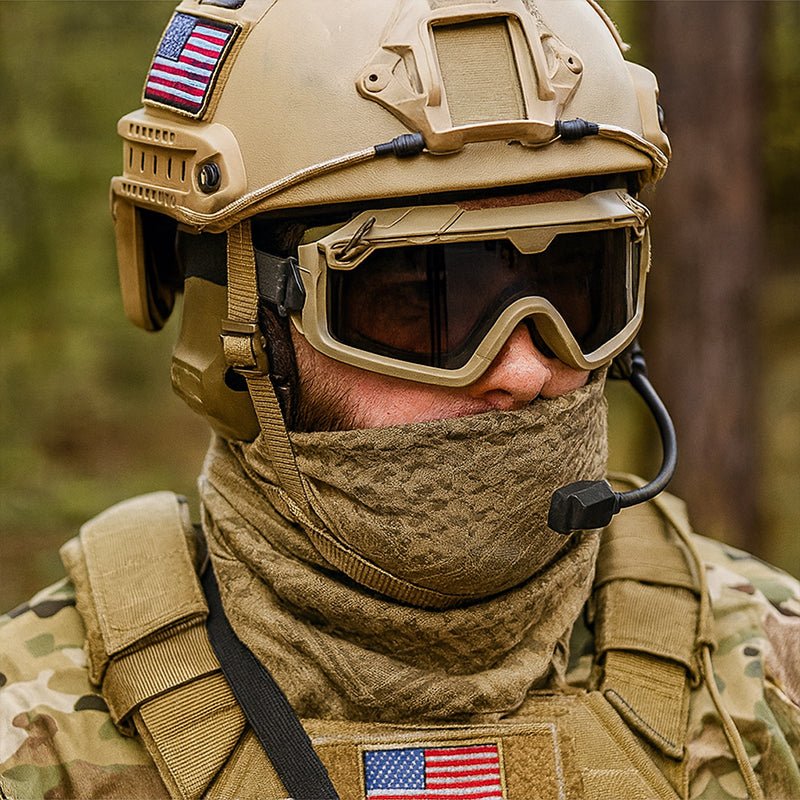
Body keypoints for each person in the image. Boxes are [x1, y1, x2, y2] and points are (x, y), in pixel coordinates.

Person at [1, 1, 798, 798]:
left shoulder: (772, 675)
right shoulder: (34, 733)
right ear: (237, 328)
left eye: (572, 284)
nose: (525, 369)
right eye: (422, 302)